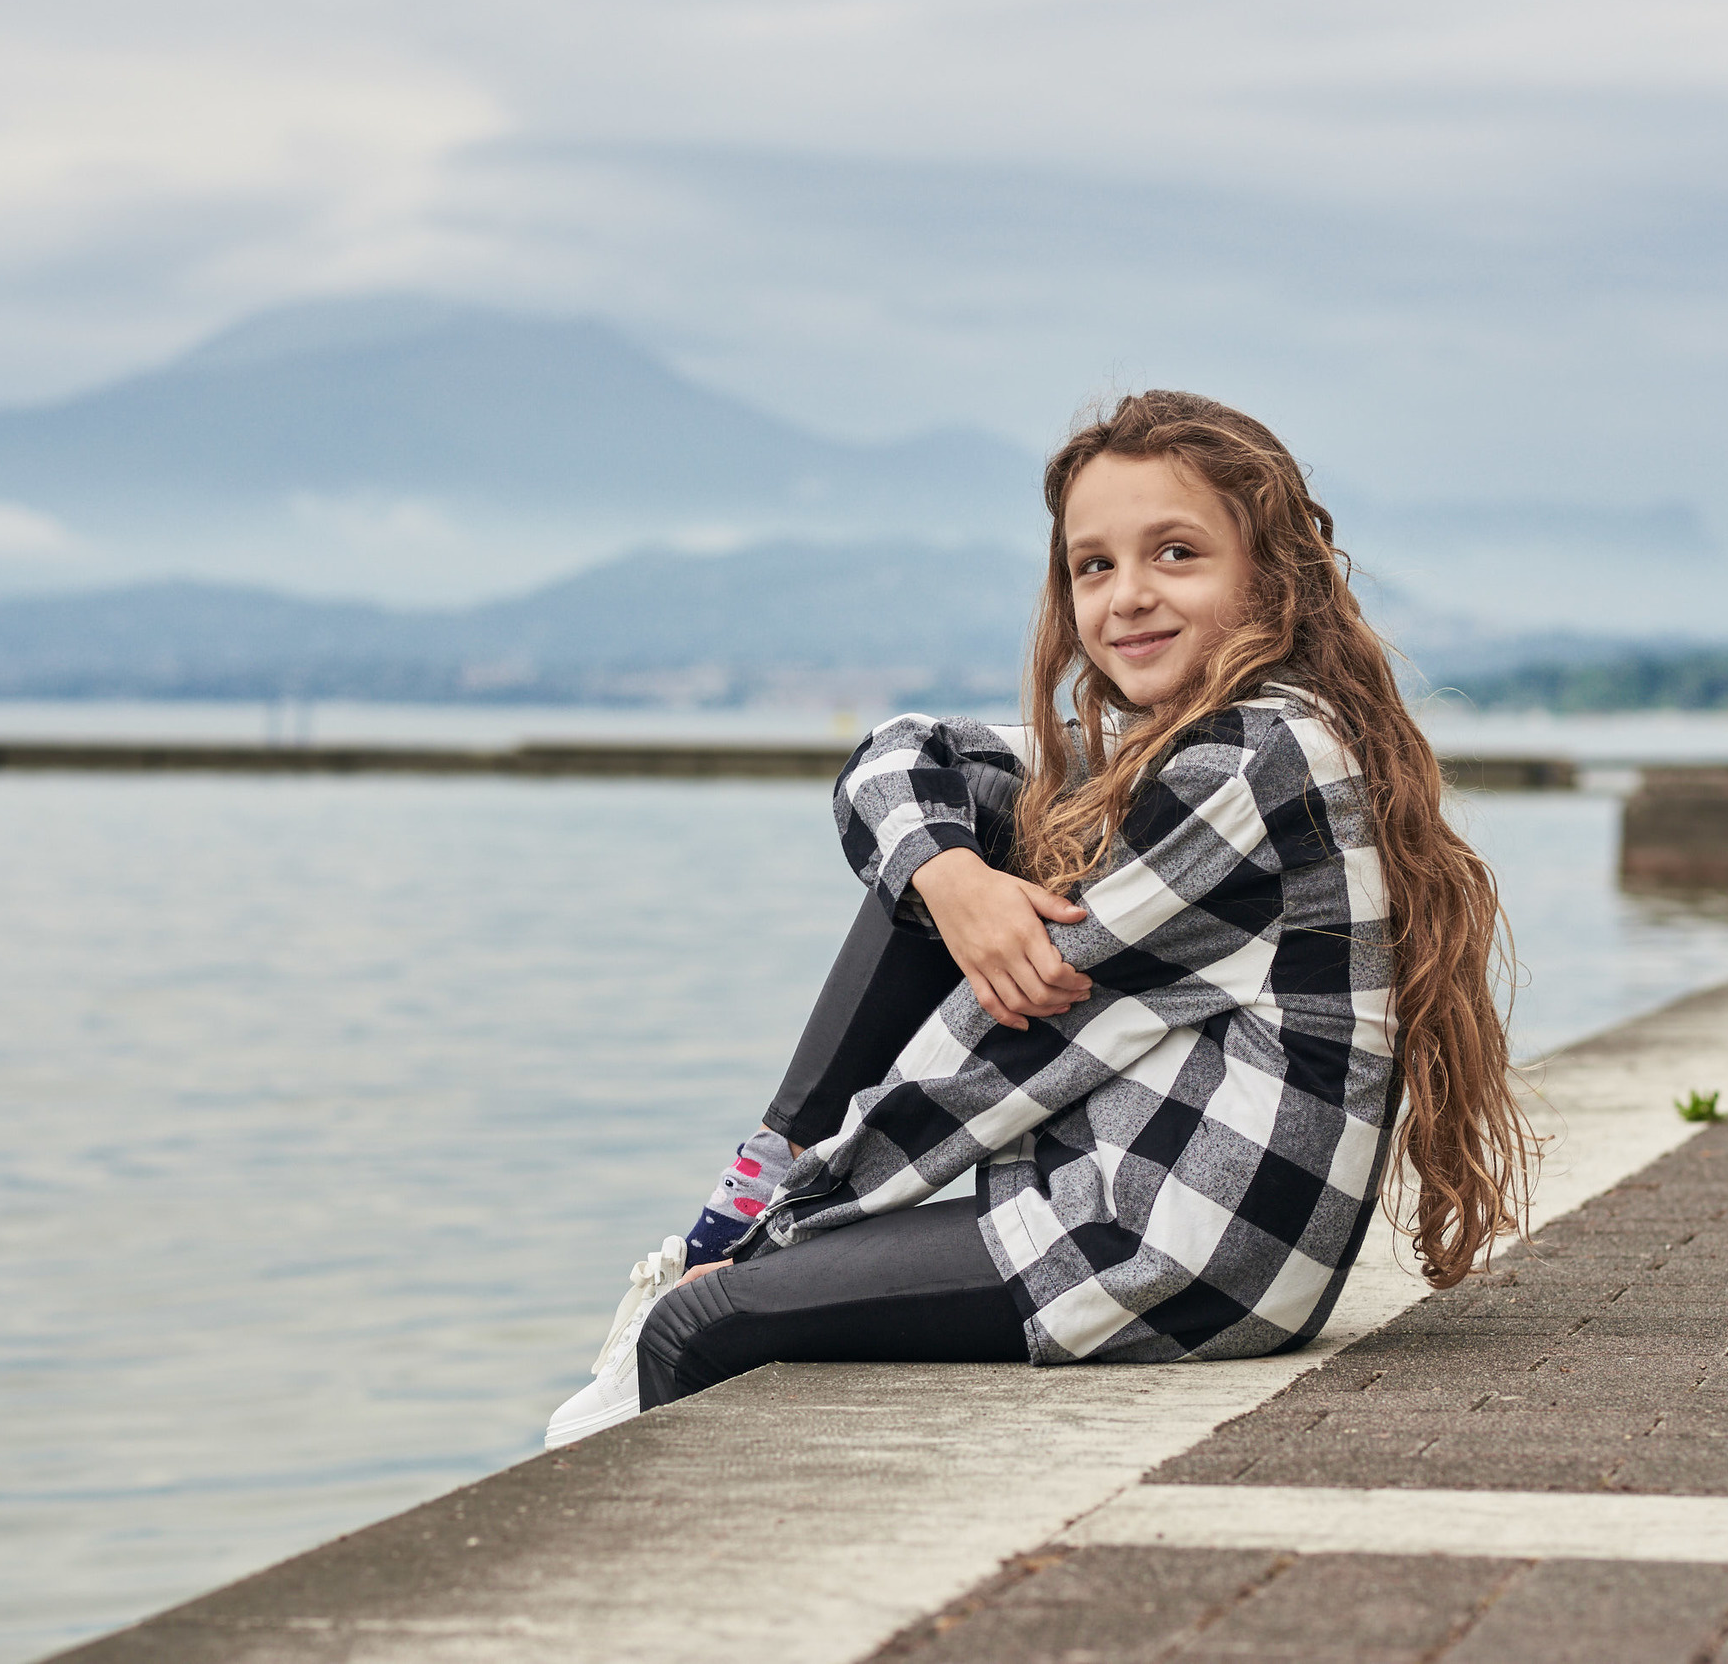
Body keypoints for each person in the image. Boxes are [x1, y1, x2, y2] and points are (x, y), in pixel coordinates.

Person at [546, 389, 1532, 1449]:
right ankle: (743, 1197)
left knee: (698, 1322)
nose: (1127, 598)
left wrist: (774, 1227)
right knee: (945, 843)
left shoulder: (1246, 763)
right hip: (1146, 1218)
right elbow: (897, 752)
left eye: (1176, 554)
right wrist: (950, 876)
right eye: (1093, 565)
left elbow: (1003, 1047)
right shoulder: (1180, 745)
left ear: (1269, 577)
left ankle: (731, 1228)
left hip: (1172, 1249)